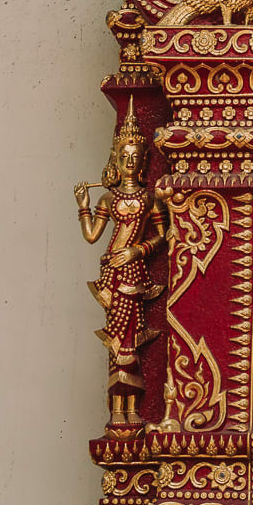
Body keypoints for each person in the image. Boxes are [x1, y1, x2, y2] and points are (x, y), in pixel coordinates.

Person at [74, 100, 167, 433]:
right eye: (124, 157)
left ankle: (132, 407)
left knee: (132, 339)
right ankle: (117, 408)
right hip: (112, 274)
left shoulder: (149, 198)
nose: (129, 163)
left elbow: (162, 235)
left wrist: (138, 251)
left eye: (135, 158)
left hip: (133, 271)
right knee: (115, 340)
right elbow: (91, 235)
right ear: (116, 159)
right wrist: (84, 207)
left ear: (143, 162)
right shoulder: (108, 199)